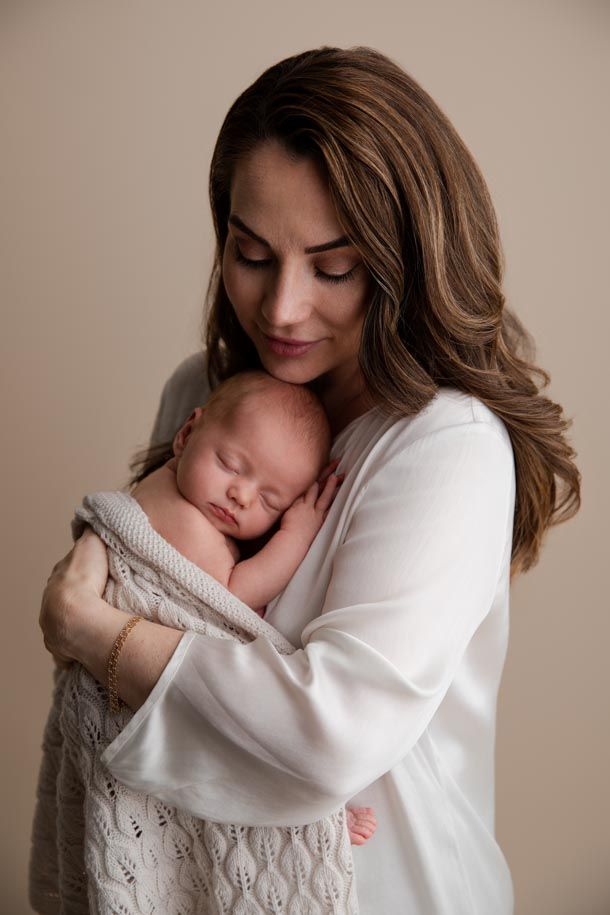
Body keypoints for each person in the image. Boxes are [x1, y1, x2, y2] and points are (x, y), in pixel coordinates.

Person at [37, 45, 581, 913]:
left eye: (333, 268)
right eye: (252, 255)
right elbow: (158, 603)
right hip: (199, 882)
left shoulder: (447, 446)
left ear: (408, 260)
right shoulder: (202, 393)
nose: (283, 309)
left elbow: (332, 734)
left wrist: (88, 630)